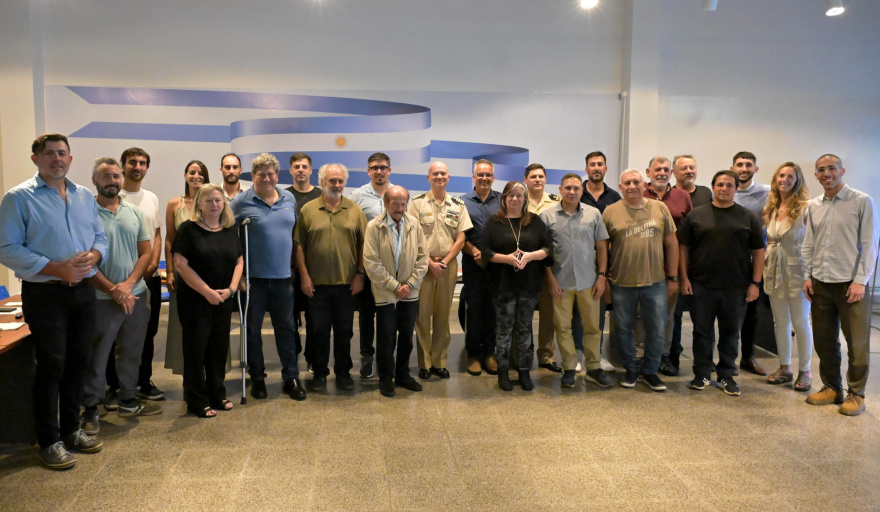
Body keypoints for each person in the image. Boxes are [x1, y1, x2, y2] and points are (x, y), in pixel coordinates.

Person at [0, 133, 107, 469]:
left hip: (83, 291)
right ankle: (49, 440)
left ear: (70, 159)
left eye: (62, 153)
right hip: (45, 293)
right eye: (49, 153)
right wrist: (56, 268)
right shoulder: (18, 197)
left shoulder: (83, 195)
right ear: (36, 159)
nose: (56, 159)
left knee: (79, 362)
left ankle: (71, 430)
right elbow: (6, 247)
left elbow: (100, 236)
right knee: (52, 366)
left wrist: (94, 256)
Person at [81, 157, 161, 437]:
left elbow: (146, 253)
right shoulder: (85, 214)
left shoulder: (134, 212)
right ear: (94, 180)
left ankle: (128, 399)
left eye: (116, 176)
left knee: (131, 351)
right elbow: (84, 261)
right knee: (97, 355)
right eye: (106, 176)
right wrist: (113, 290)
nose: (112, 181)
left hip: (135, 296)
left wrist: (127, 285)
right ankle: (91, 407)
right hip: (100, 298)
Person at [803, 154, 879, 416]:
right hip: (821, 283)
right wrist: (807, 276)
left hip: (851, 285)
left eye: (832, 168)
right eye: (821, 170)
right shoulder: (813, 205)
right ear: (816, 174)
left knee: (857, 343)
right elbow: (808, 244)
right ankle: (831, 387)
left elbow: (870, 244)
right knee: (824, 340)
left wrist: (860, 280)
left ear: (842, 171)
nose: (826, 174)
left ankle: (856, 393)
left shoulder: (861, 201)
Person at [679, 170, 765, 397]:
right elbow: (684, 248)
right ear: (713, 187)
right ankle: (702, 374)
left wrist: (755, 283)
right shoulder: (696, 215)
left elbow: (759, 251)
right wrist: (684, 278)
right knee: (701, 332)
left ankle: (727, 375)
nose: (724, 189)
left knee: (731, 333)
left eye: (729, 185)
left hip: (736, 287)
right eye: (719, 184)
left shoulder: (747, 217)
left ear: (736, 189)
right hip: (701, 285)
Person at [231, 153, 305, 401]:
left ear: (277, 175)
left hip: (283, 278)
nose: (266, 178)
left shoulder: (288, 198)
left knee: (286, 329)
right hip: (254, 280)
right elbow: (229, 238)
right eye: (261, 174)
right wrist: (238, 275)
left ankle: (291, 377)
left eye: (270, 173)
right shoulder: (240, 202)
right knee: (252, 331)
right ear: (253, 176)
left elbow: (293, 234)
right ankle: (258, 378)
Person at [602, 170, 677, 392]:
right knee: (623, 328)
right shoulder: (610, 211)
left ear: (645, 185)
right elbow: (603, 247)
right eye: (627, 183)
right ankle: (631, 369)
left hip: (655, 281)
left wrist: (673, 277)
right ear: (620, 187)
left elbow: (672, 243)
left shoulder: (660, 208)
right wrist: (603, 277)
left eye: (636, 182)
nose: (632, 186)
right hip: (621, 281)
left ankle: (650, 371)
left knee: (656, 328)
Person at [296, 163, 368, 392]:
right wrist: (304, 276)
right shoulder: (308, 210)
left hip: (347, 284)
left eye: (340, 181)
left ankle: (343, 372)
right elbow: (299, 245)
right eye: (332, 181)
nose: (336, 185)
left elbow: (364, 244)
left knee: (344, 332)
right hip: (316, 285)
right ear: (322, 183)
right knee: (318, 331)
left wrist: (360, 274)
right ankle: (319, 373)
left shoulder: (355, 210)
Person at [173, 184, 244, 417]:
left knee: (218, 348)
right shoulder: (188, 229)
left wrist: (231, 289)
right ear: (199, 204)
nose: (214, 204)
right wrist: (207, 292)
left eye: (218, 200)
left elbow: (239, 260)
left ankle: (217, 394)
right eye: (209, 201)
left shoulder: (229, 229)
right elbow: (181, 265)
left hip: (223, 299)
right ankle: (196, 400)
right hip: (195, 301)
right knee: (196, 351)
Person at [104, 147, 165, 407]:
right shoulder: (112, 197)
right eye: (132, 162)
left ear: (147, 168)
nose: (137, 167)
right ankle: (113, 386)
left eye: (142, 163)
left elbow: (157, 234)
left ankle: (143, 381)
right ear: (123, 166)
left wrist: (152, 263)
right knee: (112, 335)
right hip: (118, 280)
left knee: (146, 333)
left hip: (148, 278)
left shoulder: (151, 198)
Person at [541, 174, 610, 389]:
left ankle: (594, 368)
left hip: (589, 280)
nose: (572, 192)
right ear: (560, 190)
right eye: (568, 188)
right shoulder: (547, 217)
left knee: (593, 327)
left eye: (576, 188)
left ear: (582, 190)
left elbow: (602, 246)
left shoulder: (593, 214)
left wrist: (602, 276)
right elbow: (544, 251)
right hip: (560, 281)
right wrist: (550, 279)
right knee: (563, 328)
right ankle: (569, 368)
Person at [481, 181, 551, 391]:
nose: (515, 199)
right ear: (504, 198)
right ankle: (503, 372)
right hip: (503, 286)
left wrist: (530, 256)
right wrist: (507, 259)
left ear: (524, 199)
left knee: (524, 328)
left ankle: (524, 371)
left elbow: (548, 248)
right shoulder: (494, 222)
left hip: (529, 285)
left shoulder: (535, 221)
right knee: (504, 330)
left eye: (519, 195)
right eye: (510, 195)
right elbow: (485, 252)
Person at [408, 161, 472, 380]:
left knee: (443, 316)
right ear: (428, 177)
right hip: (423, 266)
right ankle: (424, 364)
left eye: (443, 173)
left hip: (447, 265)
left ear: (448, 177)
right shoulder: (416, 204)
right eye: (435, 173)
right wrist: (429, 263)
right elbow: (412, 236)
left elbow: (461, 238)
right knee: (422, 316)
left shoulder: (458, 205)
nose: (439, 177)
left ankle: (439, 362)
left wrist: (443, 262)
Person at [363, 185, 429, 397]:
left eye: (403, 204)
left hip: (410, 293)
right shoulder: (374, 226)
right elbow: (371, 262)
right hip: (386, 293)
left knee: (407, 338)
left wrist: (410, 284)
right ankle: (385, 377)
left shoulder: (415, 225)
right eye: (395, 204)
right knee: (386, 338)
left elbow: (423, 258)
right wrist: (395, 286)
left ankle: (402, 374)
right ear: (386, 202)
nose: (400, 208)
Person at [762, 162, 814, 392]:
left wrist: (809, 275)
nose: (785, 180)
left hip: (797, 270)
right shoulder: (771, 207)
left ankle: (806, 370)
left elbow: (811, 242)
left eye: (790, 176)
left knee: (801, 322)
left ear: (797, 180)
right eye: (781, 175)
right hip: (774, 269)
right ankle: (784, 367)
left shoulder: (806, 208)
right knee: (780, 322)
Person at [644, 156, 692, 377]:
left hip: (672, 267)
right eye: (657, 169)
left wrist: (681, 274)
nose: (662, 173)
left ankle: (664, 356)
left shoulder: (682, 197)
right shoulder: (639, 194)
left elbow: (688, 235)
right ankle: (642, 356)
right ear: (648, 172)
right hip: (644, 266)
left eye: (666, 170)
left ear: (671, 173)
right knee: (641, 315)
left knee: (668, 316)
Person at [163, 160, 210, 376]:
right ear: (185, 176)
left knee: (209, 325)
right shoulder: (175, 204)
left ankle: (210, 372)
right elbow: (170, 240)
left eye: (200, 173)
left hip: (208, 273)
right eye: (192, 172)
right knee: (183, 325)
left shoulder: (213, 202)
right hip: (182, 274)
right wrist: (170, 271)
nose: (196, 176)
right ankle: (188, 373)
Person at [350, 152, 394, 379]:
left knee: (388, 315)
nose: (379, 171)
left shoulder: (398, 193)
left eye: (383, 167)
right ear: (368, 171)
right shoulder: (357, 196)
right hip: (368, 267)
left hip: (393, 268)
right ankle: (366, 356)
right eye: (375, 168)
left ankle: (387, 358)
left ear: (389, 170)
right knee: (367, 315)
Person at [668, 154, 712, 376]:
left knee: (703, 317)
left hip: (702, 264)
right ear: (674, 172)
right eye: (683, 168)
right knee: (675, 316)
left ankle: (704, 362)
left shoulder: (705, 193)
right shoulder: (670, 195)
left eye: (692, 167)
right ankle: (673, 359)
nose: (688, 171)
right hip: (676, 264)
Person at [580, 150, 621, 373]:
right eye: (592, 164)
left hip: (604, 264)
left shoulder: (615, 198)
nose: (596, 168)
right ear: (586, 169)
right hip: (579, 261)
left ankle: (597, 354)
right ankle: (578, 352)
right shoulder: (576, 193)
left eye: (600, 164)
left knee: (599, 308)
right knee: (577, 309)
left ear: (605, 168)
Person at [460, 159, 501, 376]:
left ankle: (489, 353)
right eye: (481, 174)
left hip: (496, 266)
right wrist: (475, 252)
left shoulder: (503, 200)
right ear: (474, 177)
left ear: (493, 177)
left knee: (493, 310)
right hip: (472, 264)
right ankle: (474, 355)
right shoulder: (462, 202)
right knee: (474, 310)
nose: (484, 178)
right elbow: (458, 234)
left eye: (488, 175)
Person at [732, 151, 771, 376]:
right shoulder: (726, 190)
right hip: (730, 260)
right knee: (727, 311)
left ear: (755, 169)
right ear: (733, 168)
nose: (744, 168)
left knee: (752, 312)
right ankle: (725, 358)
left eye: (748, 165)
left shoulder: (768, 193)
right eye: (740, 164)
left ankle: (748, 356)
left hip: (755, 260)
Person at [524, 163, 563, 372]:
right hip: (524, 266)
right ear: (525, 180)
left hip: (549, 266)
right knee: (524, 313)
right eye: (533, 176)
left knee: (549, 313)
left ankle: (546, 355)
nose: (537, 180)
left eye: (540, 176)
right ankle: (523, 353)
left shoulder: (557, 202)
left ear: (546, 179)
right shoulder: (518, 200)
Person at [286, 152, 322, 370]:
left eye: (304, 166)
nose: (300, 170)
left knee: (314, 319)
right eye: (296, 166)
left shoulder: (320, 196)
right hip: (288, 268)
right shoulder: (283, 196)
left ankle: (312, 358)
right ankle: (293, 355)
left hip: (315, 268)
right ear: (291, 170)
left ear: (310, 170)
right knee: (289, 319)